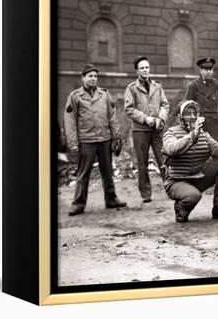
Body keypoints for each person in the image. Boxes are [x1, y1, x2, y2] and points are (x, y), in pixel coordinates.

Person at [162, 100, 218, 223]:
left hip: (197, 177)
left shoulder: (203, 134)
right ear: (180, 117)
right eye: (188, 113)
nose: (192, 117)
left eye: (195, 113)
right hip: (176, 181)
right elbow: (172, 149)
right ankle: (180, 208)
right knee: (192, 196)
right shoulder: (171, 132)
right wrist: (192, 135)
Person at [64, 64, 127, 216]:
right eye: (90, 76)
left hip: (104, 138)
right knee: (83, 173)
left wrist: (116, 136)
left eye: (95, 76)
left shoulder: (104, 95)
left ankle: (111, 199)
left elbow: (112, 117)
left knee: (107, 171)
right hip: (86, 140)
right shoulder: (75, 96)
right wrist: (73, 143)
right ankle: (78, 203)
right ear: (83, 78)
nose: (93, 79)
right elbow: (70, 121)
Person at [124, 56, 170, 203]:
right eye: (142, 68)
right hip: (140, 131)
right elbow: (129, 109)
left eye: (147, 67)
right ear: (137, 71)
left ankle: (171, 188)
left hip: (157, 129)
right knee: (142, 163)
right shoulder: (131, 88)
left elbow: (165, 104)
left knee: (164, 159)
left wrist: (161, 119)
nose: (145, 70)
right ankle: (146, 194)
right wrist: (145, 119)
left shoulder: (157, 86)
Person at [185, 57, 218, 140]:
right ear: (201, 70)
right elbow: (188, 108)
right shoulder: (193, 86)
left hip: (215, 125)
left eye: (210, 69)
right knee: (201, 149)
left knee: (215, 149)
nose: (208, 72)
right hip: (200, 124)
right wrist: (192, 126)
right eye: (205, 69)